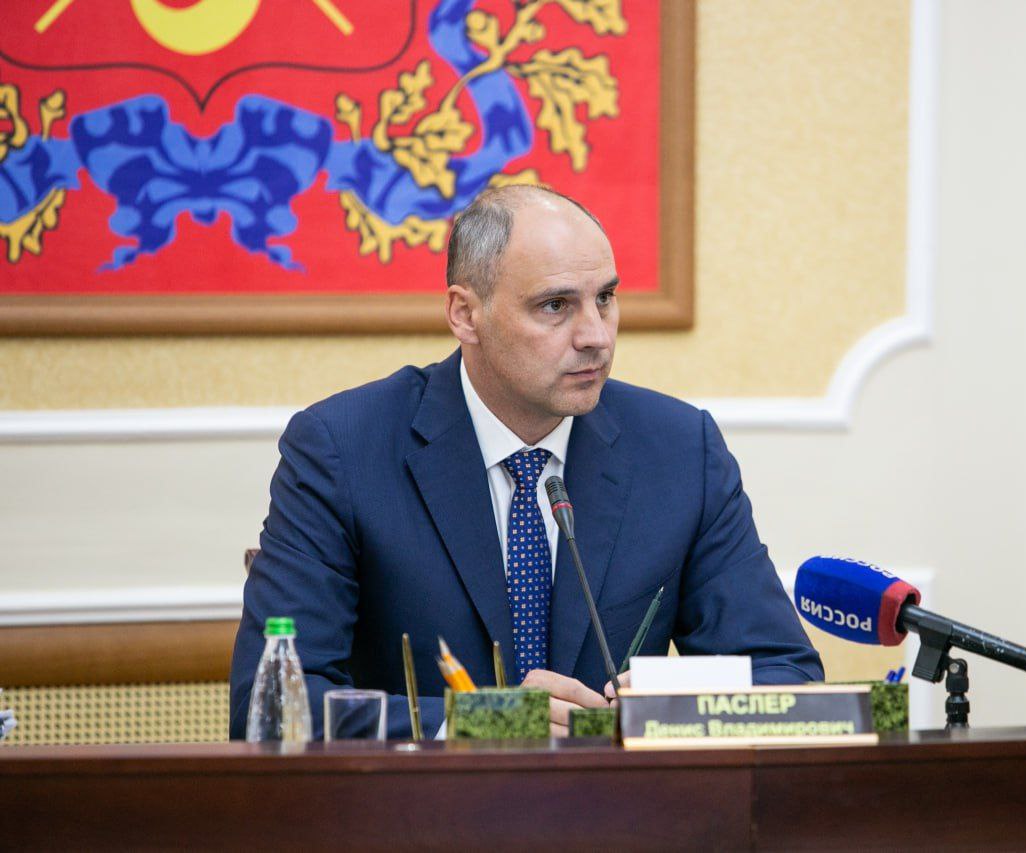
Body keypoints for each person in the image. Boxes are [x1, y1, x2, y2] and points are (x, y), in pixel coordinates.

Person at [229, 186, 823, 738]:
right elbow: (273, 707)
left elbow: (784, 675)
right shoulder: (342, 449)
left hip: (619, 806)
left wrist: (671, 705)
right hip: (424, 806)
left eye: (606, 299)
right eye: (555, 306)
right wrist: (489, 723)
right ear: (466, 314)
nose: (596, 336)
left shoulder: (679, 449)